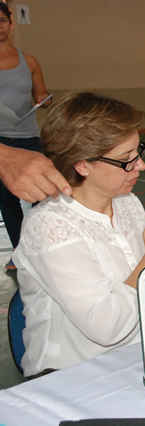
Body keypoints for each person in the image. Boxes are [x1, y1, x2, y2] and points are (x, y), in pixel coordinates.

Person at [13, 93, 145, 378]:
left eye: (139, 151)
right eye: (126, 159)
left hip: (136, 361)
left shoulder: (126, 203)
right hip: (71, 377)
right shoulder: (49, 226)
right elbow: (107, 327)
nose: (141, 165)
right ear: (82, 164)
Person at [0, 2, 54, 270]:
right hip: (0, 142)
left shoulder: (29, 60)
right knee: (6, 199)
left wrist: (43, 99)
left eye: (2, 20)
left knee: (41, 196)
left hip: (28, 136)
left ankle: (41, 247)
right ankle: (19, 252)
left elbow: (41, 94)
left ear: (10, 24)